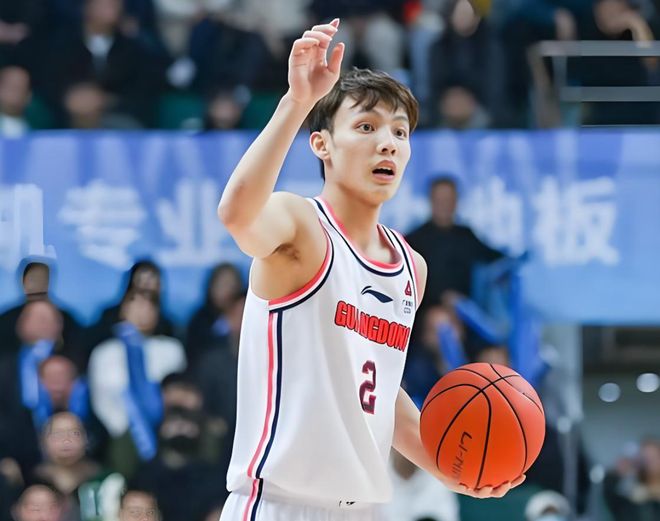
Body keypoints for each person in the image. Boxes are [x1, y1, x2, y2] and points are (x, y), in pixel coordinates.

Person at [216, 17, 523, 520]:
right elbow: (236, 214)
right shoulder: (300, 225)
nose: (388, 142)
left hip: (363, 510)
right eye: (366, 127)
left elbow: (381, 392)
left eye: (400, 131)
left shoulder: (411, 266)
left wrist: (452, 470)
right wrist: (297, 102)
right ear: (322, 144)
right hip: (278, 504)